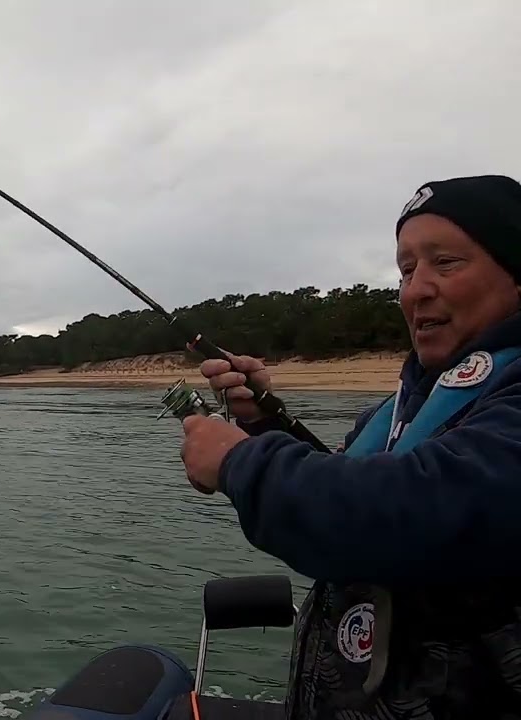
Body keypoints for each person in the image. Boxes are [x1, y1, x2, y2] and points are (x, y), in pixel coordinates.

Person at [179, 173, 521, 718]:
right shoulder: (401, 408)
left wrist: (237, 462)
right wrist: (265, 424)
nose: (415, 289)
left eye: (446, 263)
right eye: (407, 269)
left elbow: (412, 511)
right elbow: (343, 480)